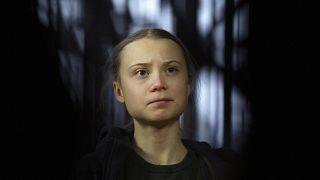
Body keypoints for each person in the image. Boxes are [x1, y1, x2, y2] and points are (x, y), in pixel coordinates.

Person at [69, 28, 239, 180]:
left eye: (171, 69)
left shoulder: (227, 170)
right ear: (119, 91)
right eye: (141, 72)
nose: (158, 83)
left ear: (189, 84)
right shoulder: (90, 171)